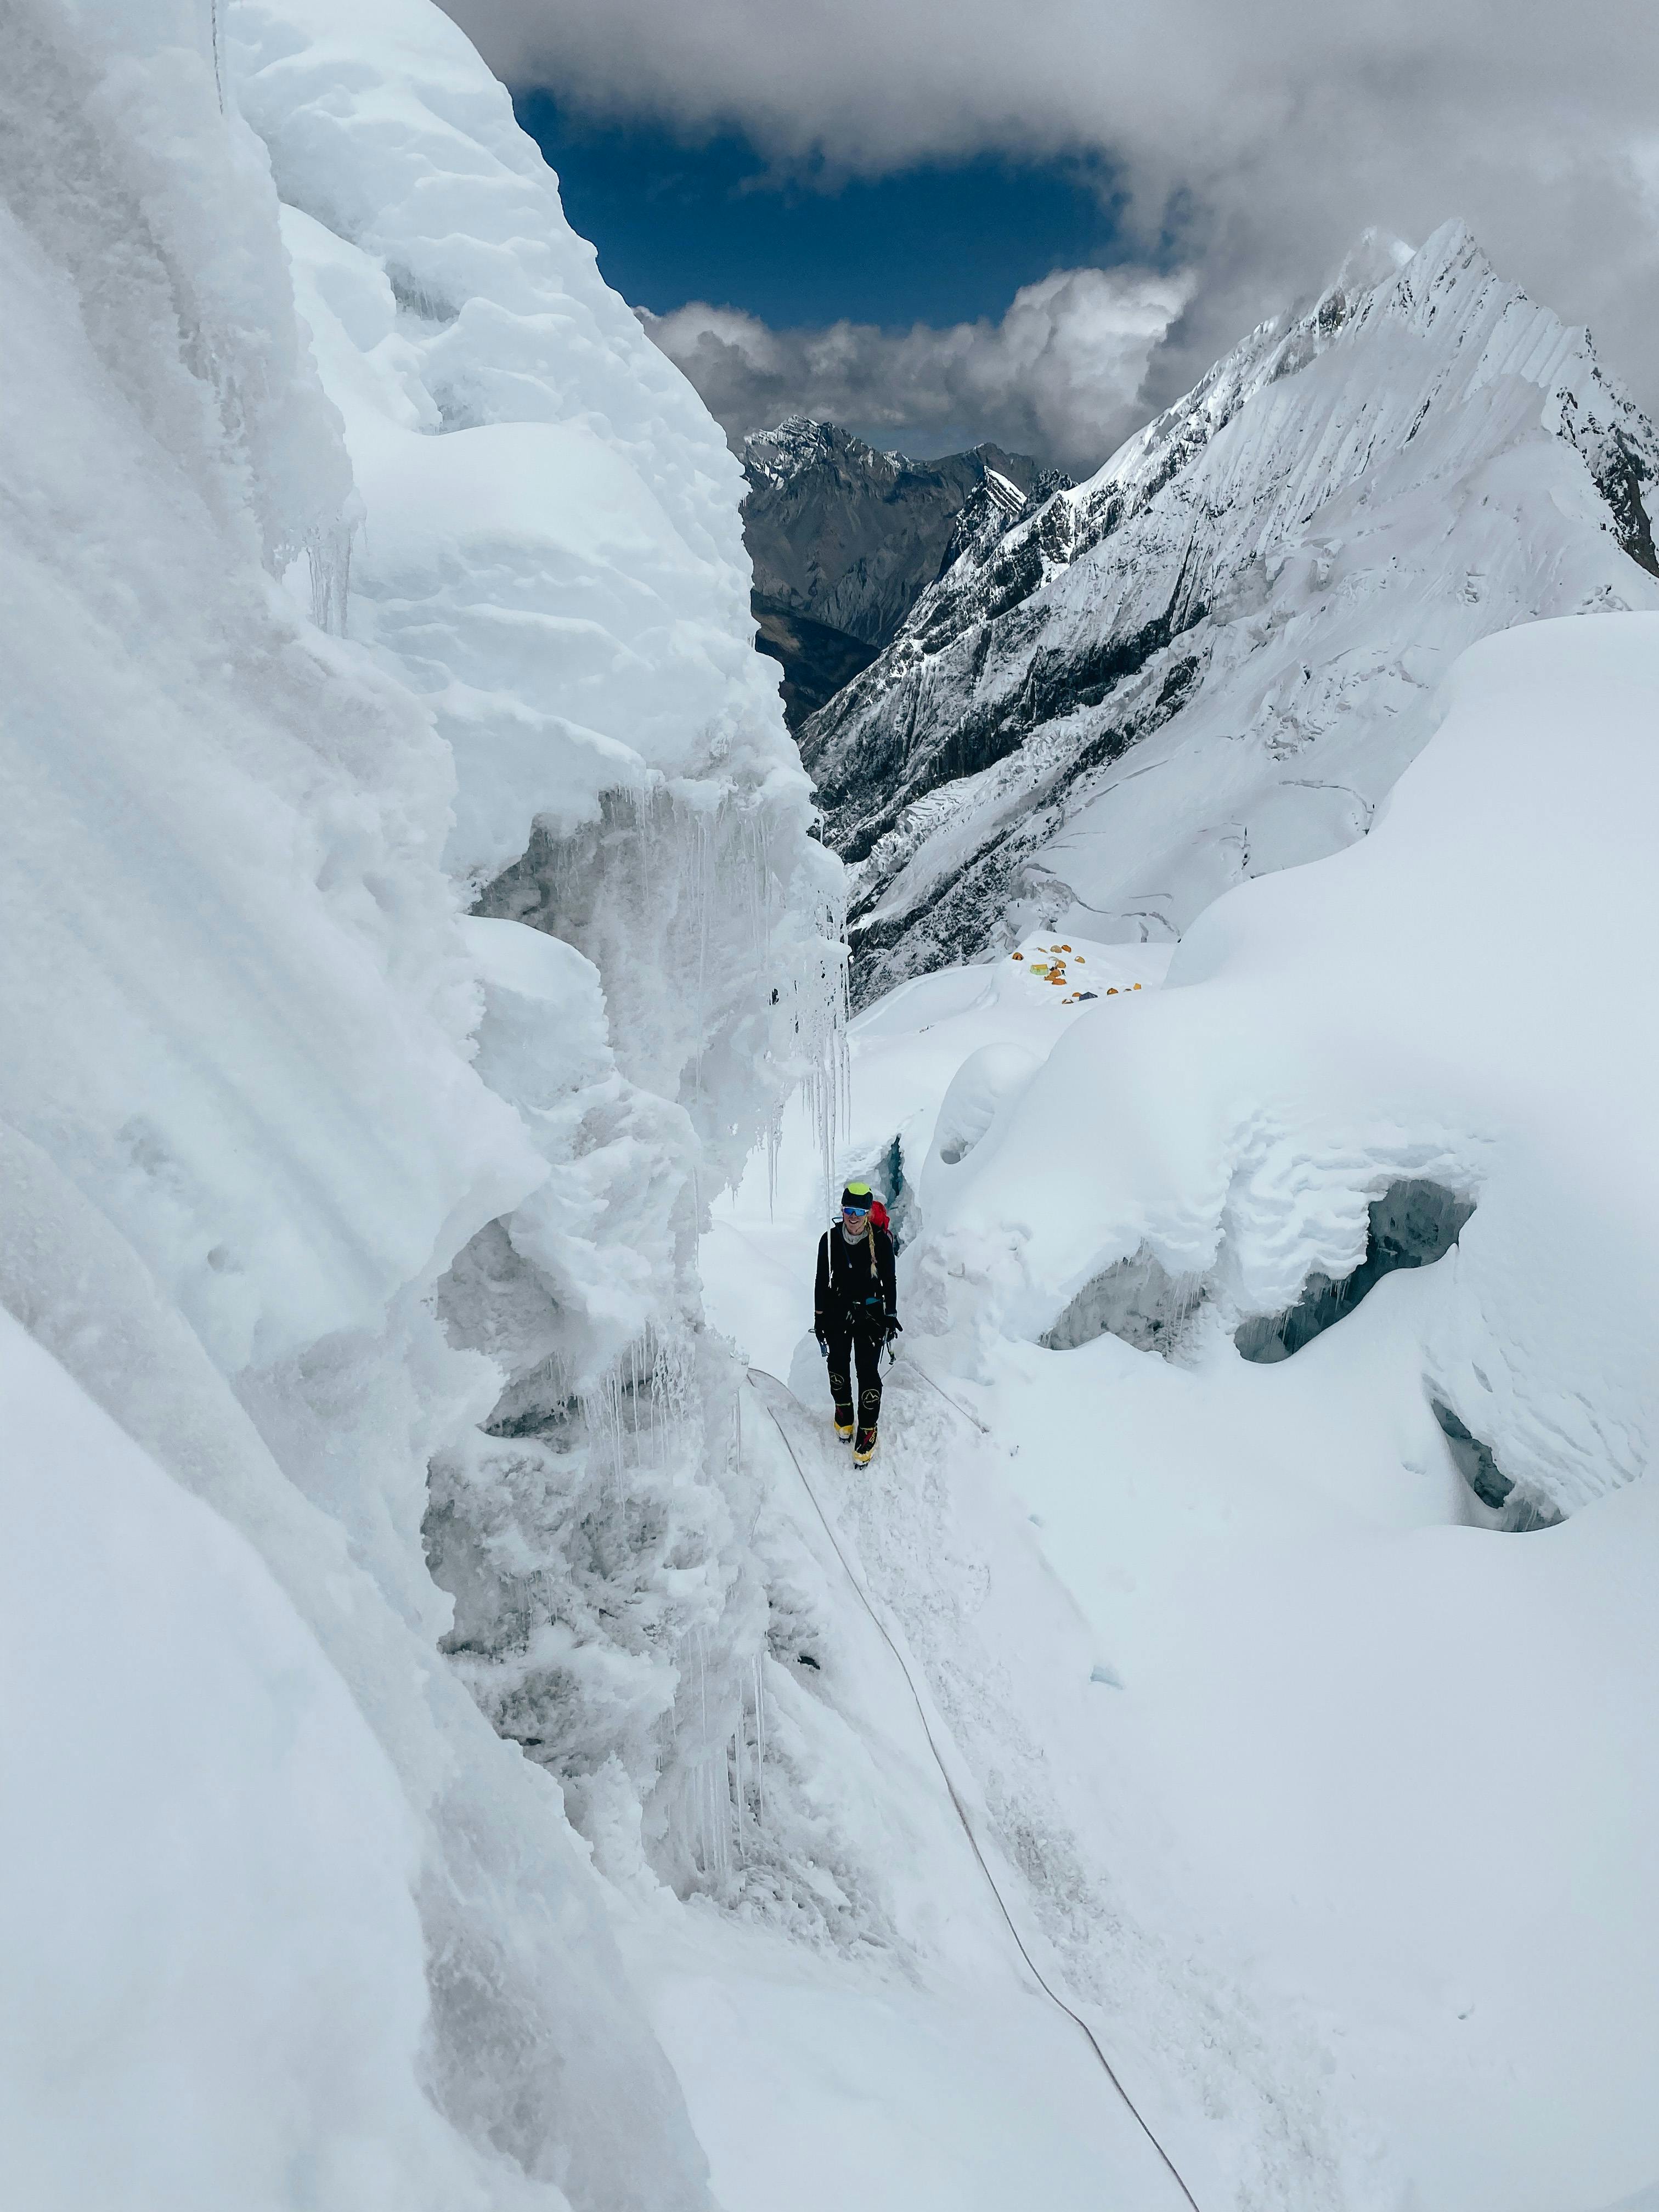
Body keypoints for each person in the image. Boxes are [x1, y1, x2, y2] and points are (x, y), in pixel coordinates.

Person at [814, 1181, 900, 1465]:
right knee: (837, 1363)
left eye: (859, 1211)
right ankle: (844, 1411)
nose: (853, 1217)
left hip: (871, 1314)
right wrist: (820, 1316)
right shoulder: (829, 1241)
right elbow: (821, 1282)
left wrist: (891, 1314)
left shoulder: (881, 1242)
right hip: (838, 1310)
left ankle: (867, 1428)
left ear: (867, 1214)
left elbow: (889, 1281)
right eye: (848, 1210)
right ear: (842, 1210)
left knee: (867, 1372)